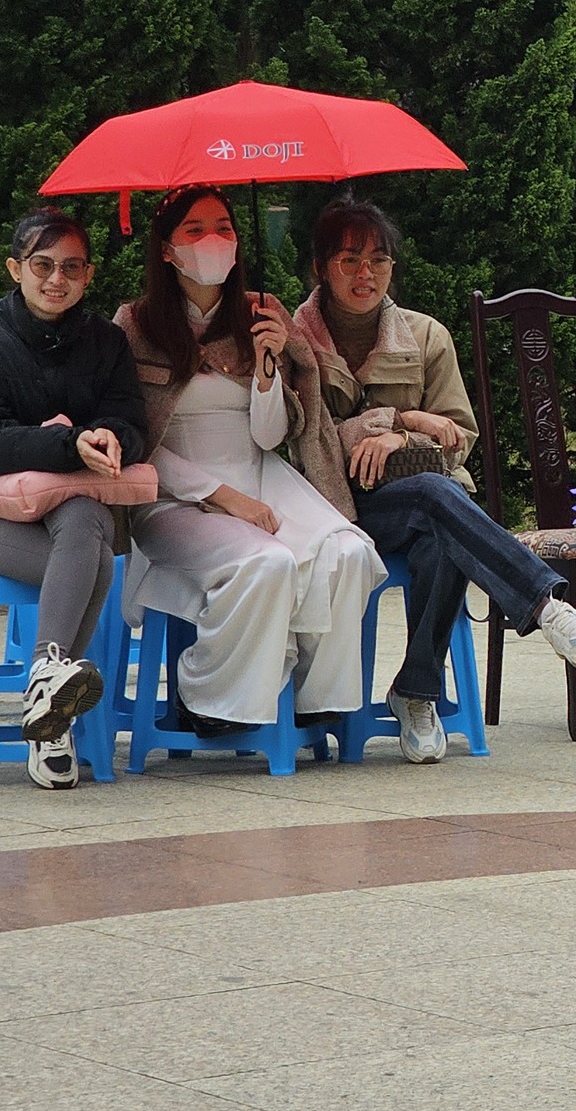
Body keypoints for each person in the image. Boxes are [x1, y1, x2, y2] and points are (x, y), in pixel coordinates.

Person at [290, 199, 576, 763]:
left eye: (379, 260)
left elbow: (458, 436)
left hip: (417, 499)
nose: (365, 274)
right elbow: (304, 442)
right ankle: (544, 605)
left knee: (442, 523)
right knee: (444, 508)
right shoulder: (297, 343)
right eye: (349, 260)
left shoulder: (425, 336)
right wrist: (400, 419)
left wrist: (403, 442)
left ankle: (415, 692)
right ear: (320, 266)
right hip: (333, 508)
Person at [119, 188, 383, 734]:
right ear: (166, 250)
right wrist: (220, 496)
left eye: (223, 227)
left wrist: (267, 367)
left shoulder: (261, 314)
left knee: (349, 551)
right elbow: (133, 440)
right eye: (195, 230)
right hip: (174, 495)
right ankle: (209, 697)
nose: (212, 241)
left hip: (259, 472)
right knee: (267, 562)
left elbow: (272, 435)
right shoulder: (136, 325)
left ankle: (316, 696)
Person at [0, 208, 149, 788]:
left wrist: (111, 436)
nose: (57, 279)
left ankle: (45, 698)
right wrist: (68, 444)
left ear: (89, 275)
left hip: (70, 516)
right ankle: (53, 714)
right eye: (43, 265)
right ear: (15, 268)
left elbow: (131, 419)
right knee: (97, 559)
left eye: (71, 267)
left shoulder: (106, 341)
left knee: (85, 519)